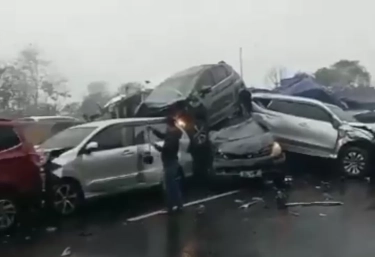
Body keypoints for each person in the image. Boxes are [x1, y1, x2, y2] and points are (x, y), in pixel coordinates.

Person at [147, 117, 183, 214]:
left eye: (167, 126)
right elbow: (163, 136)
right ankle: (178, 205)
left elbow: (167, 149)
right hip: (170, 163)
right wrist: (153, 130)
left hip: (170, 163)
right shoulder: (172, 134)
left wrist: (156, 146)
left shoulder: (173, 137)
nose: (166, 128)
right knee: (173, 185)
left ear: (170, 125)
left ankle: (171, 207)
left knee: (170, 186)